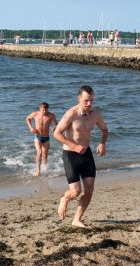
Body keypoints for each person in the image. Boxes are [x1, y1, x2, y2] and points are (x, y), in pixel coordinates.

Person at [53, 85, 108, 227]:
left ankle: (76, 219)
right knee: (75, 191)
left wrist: (102, 143)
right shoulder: (71, 114)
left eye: (91, 101)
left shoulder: (96, 114)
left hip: (86, 153)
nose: (89, 104)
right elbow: (56, 133)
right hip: (70, 154)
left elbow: (104, 129)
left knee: (89, 188)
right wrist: (74, 146)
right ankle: (64, 200)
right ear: (79, 99)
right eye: (86, 101)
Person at [26, 102, 58, 176]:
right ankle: (38, 170)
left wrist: (55, 128)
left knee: (45, 156)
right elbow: (27, 118)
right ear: (40, 109)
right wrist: (31, 128)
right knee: (39, 152)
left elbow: (55, 124)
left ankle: (44, 169)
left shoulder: (51, 115)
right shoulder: (35, 114)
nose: (44, 112)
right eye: (43, 110)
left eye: (46, 110)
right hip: (37, 137)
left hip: (46, 138)